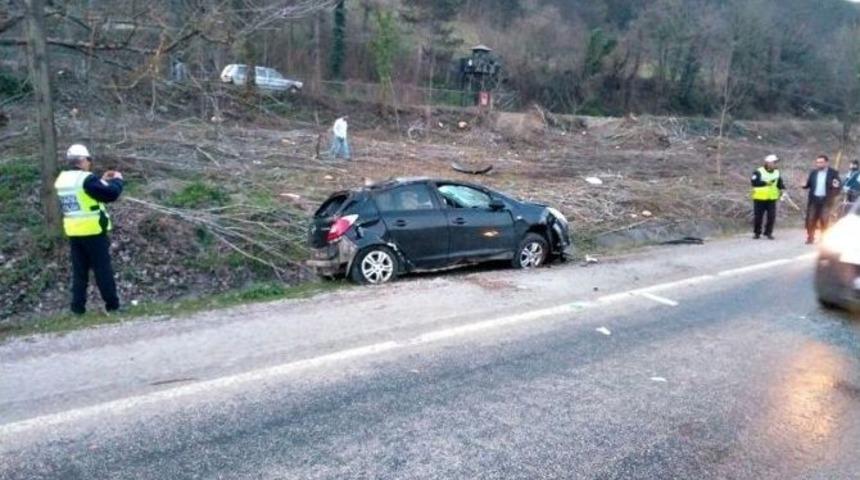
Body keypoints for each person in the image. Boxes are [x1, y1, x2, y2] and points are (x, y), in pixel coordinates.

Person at [54, 144, 125, 314]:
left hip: (74, 231)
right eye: (89, 159)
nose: (90, 162)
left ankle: (77, 309)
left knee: (79, 273)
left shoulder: (63, 179)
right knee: (103, 270)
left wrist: (102, 180)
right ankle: (113, 306)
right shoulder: (86, 179)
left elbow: (86, 193)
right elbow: (110, 194)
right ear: (82, 160)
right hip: (93, 231)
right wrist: (118, 180)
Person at [802, 154, 841, 244]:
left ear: (826, 163)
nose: (819, 164)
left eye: (821, 162)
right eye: (818, 162)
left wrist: (833, 195)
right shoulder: (813, 173)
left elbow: (838, 186)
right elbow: (808, 184)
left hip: (826, 200)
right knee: (811, 219)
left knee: (824, 220)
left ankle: (824, 238)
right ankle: (810, 237)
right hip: (814, 199)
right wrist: (804, 185)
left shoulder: (833, 173)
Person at [750, 154, 785, 240]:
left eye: (776, 162)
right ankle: (757, 233)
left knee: (771, 216)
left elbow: (779, 182)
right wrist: (765, 183)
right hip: (759, 198)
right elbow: (754, 183)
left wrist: (782, 189)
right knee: (758, 217)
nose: (775, 164)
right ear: (768, 163)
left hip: (771, 198)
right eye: (774, 162)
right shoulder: (758, 171)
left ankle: (768, 233)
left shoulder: (777, 172)